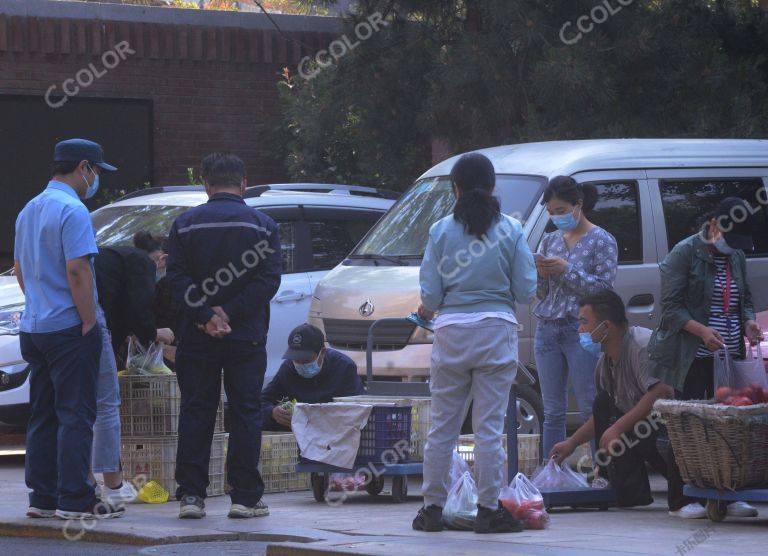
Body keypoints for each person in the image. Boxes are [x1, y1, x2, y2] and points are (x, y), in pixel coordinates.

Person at [412, 153, 537, 534]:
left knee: (442, 429)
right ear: (493, 186)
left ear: (456, 188)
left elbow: (431, 298)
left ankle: (431, 509)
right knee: (488, 429)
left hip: (450, 335)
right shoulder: (512, 230)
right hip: (495, 333)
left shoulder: (439, 231)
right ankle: (488, 510)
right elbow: (526, 290)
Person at [167, 153, 281, 520]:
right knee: (246, 411)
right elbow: (268, 280)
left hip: (197, 336)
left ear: (205, 184)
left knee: (196, 410)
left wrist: (205, 315)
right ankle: (245, 498)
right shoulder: (264, 226)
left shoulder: (184, 225)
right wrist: (229, 313)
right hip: (245, 335)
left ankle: (191, 497)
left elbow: (176, 279)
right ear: (243, 184)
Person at [14, 138, 123, 519]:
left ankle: (42, 497)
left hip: (35, 327)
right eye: (96, 172)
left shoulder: (28, 209)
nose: (95, 181)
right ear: (84, 168)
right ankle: (74, 497)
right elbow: (78, 269)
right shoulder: (73, 210)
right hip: (69, 327)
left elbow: (20, 270)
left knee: (43, 413)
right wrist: (89, 319)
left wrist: (39, 305)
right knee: (76, 413)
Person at [648, 196, 764, 519]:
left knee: (728, 427)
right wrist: (701, 332)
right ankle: (681, 498)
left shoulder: (736, 256)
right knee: (689, 427)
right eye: (729, 238)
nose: (732, 247)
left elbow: (745, 298)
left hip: (727, 354)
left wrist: (749, 320)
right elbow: (670, 309)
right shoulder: (684, 253)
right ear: (714, 225)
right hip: (693, 356)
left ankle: (727, 496)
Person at [548, 290, 693, 512]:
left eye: (585, 323)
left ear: (605, 327)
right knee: (603, 404)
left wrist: (616, 428)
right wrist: (572, 443)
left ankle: (685, 493)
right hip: (644, 430)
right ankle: (627, 491)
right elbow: (602, 415)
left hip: (671, 428)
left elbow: (661, 391)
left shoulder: (642, 346)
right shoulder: (604, 364)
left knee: (637, 428)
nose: (580, 330)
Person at [533, 175, 618, 458]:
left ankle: (600, 471)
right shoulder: (549, 241)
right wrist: (541, 273)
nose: (556, 217)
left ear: (578, 205)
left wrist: (566, 269)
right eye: (551, 213)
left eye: (561, 211)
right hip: (546, 328)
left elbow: (604, 290)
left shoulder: (602, 240)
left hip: (581, 331)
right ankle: (551, 474)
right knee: (553, 410)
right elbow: (542, 294)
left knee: (589, 405)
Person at [91, 232, 175, 505]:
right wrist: (153, 333)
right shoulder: (144, 264)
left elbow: (119, 305)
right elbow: (139, 307)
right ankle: (113, 485)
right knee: (106, 406)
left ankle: (86, 482)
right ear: (163, 259)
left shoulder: (117, 257)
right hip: (93, 331)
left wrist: (131, 333)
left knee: (77, 409)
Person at [262, 324, 364, 431]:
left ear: (322, 353)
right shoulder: (288, 367)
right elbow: (261, 402)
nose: (301, 364)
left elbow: (359, 409)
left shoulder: (344, 367)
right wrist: (272, 413)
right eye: (296, 360)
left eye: (306, 360)